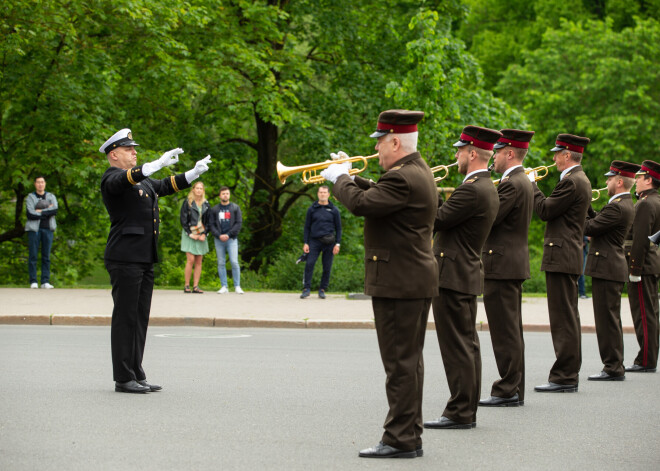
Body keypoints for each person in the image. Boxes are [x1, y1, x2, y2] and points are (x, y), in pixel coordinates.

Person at [320, 109, 437, 459]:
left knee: (399, 364)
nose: (377, 152)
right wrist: (350, 177)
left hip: (400, 282)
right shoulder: (415, 171)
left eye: (381, 144)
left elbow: (363, 204)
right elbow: (380, 196)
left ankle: (400, 438)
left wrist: (340, 179)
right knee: (408, 362)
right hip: (410, 279)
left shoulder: (402, 177)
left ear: (396, 141)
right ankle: (408, 433)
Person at [100, 128, 211, 393]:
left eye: (134, 149)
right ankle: (123, 377)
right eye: (129, 150)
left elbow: (164, 186)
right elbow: (124, 181)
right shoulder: (112, 178)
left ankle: (136, 372)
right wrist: (153, 165)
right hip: (125, 257)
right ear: (114, 154)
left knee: (139, 318)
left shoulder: (143, 181)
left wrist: (192, 174)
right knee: (125, 318)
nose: (134, 153)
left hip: (143, 257)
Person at [424, 125, 500, 430]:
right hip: (462, 273)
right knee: (466, 344)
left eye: (459, 150)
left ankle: (460, 411)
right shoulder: (484, 186)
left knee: (457, 345)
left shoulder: (473, 188)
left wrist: (423, 186)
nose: (455, 156)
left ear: (472, 153)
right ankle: (465, 408)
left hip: (453, 274)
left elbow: (438, 219)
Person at [532, 134, 592, 393]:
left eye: (557, 153)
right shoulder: (580, 179)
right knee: (568, 316)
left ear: (568, 155)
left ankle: (565, 376)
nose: (554, 158)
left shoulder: (571, 182)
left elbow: (545, 210)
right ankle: (567, 373)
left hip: (562, 255)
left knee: (563, 318)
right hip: (567, 255)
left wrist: (531, 185)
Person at [479, 129, 534, 408]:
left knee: (505, 331)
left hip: (502, 264)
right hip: (508, 262)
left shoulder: (511, 183)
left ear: (509, 153)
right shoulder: (521, 180)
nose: (494, 158)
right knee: (511, 329)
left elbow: (491, 217)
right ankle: (514, 387)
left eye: (498, 152)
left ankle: (508, 389)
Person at [584, 161, 636, 381]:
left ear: (620, 181)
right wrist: (586, 205)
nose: (606, 182)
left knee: (607, 320)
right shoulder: (621, 204)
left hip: (607, 267)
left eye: (609, 179)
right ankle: (614, 365)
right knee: (609, 319)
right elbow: (597, 221)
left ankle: (613, 367)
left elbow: (589, 227)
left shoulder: (617, 206)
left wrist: (578, 206)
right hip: (609, 267)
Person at [625, 160, 660, 373]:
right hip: (652, 263)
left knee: (644, 315)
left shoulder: (646, 203)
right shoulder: (655, 201)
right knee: (650, 313)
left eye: (639, 177)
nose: (636, 181)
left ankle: (646, 359)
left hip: (643, 266)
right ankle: (648, 357)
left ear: (648, 180)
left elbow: (640, 240)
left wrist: (634, 269)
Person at [301, 185, 342, 299]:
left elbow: (338, 228)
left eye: (324, 192)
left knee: (327, 267)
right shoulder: (312, 209)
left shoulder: (334, 210)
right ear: (318, 194)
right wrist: (306, 242)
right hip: (314, 241)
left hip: (329, 242)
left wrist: (337, 244)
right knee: (309, 264)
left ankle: (322, 289)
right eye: (320, 192)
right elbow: (307, 227)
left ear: (328, 194)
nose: (322, 194)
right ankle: (306, 288)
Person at [208, 186, 244, 294]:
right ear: (220, 196)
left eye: (227, 193)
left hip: (231, 239)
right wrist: (219, 235)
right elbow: (211, 224)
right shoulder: (215, 209)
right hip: (218, 240)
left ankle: (237, 286)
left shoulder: (235, 208)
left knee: (234, 261)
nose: (225, 195)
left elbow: (238, 223)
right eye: (223, 193)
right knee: (221, 262)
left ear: (229, 195)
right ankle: (224, 286)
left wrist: (228, 234)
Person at [25, 176, 58, 289]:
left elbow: (55, 210)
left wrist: (39, 211)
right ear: (35, 184)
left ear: (45, 184)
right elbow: (30, 214)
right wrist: (47, 211)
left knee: (46, 256)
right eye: (38, 182)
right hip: (34, 230)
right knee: (33, 255)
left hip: (48, 229)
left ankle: (45, 281)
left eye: (42, 182)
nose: (40, 184)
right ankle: (33, 281)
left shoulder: (51, 196)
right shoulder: (30, 197)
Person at [180, 181, 210, 293]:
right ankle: (186, 285)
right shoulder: (187, 203)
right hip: (189, 234)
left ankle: (196, 286)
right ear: (193, 189)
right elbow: (183, 220)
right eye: (196, 188)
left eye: (200, 188)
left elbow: (208, 222)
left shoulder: (206, 204)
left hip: (201, 234)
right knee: (190, 260)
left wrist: (204, 234)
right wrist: (190, 233)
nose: (198, 190)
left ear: (203, 190)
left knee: (199, 261)